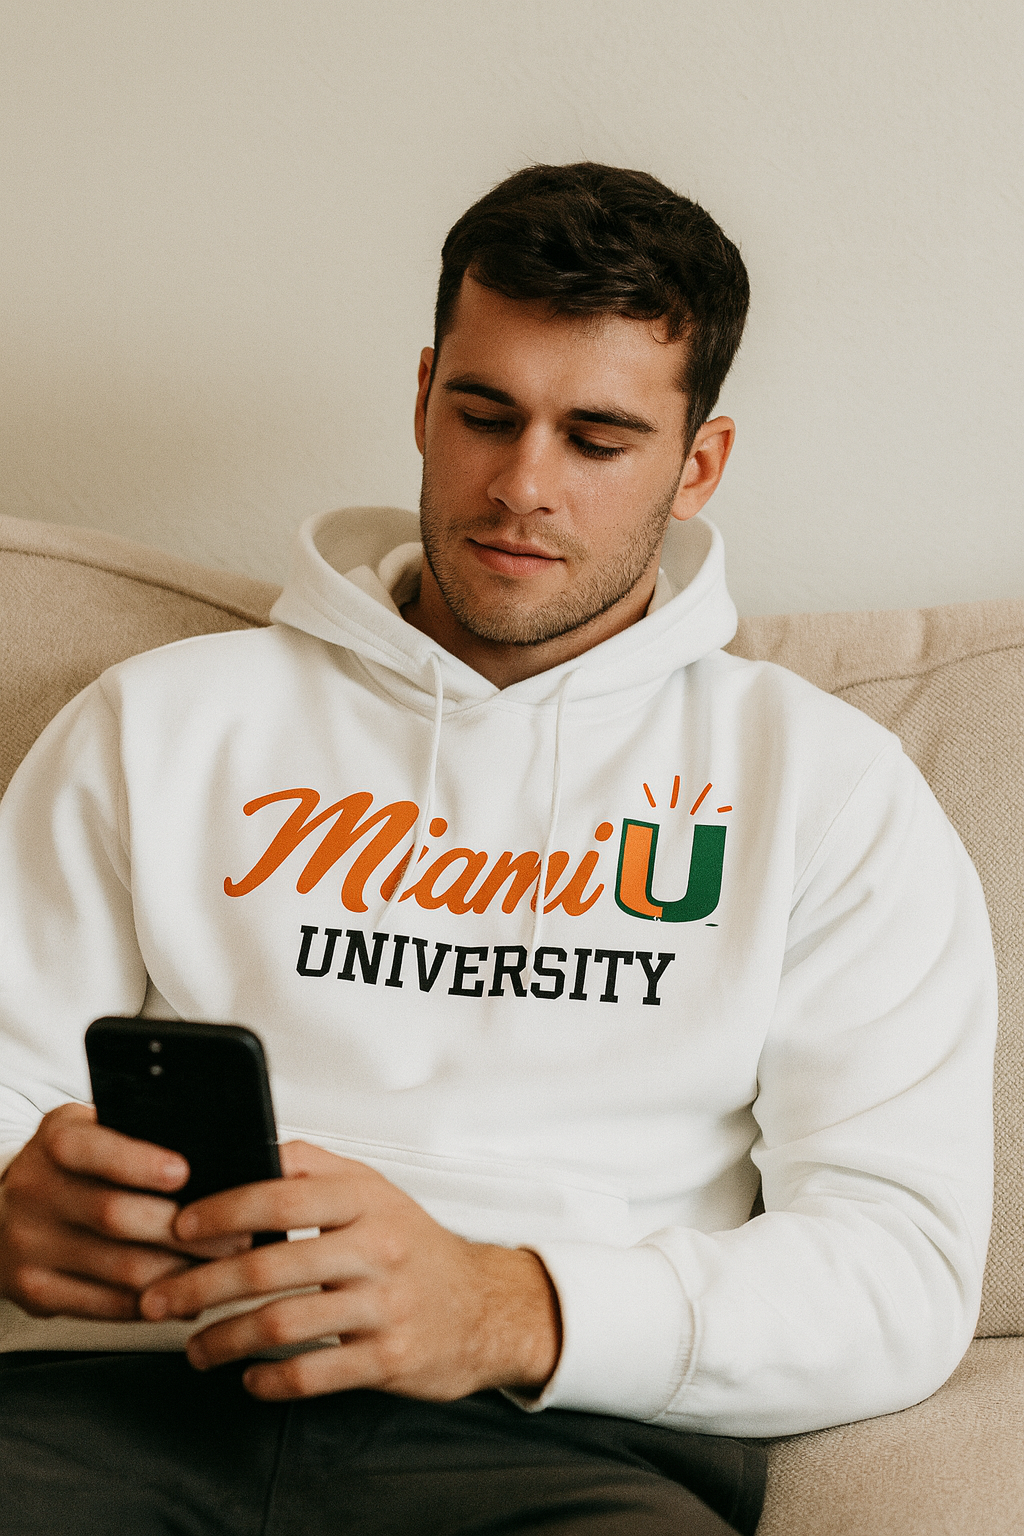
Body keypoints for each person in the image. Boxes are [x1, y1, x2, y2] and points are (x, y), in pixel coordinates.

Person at [0, 163, 997, 1535]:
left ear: (697, 465)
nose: (521, 486)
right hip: (119, 1407)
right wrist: (12, 1202)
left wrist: (510, 1306)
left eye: (597, 440)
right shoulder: (162, 726)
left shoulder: (825, 792)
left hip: (558, 1446)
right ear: (423, 397)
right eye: (484, 415)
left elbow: (901, 1274)